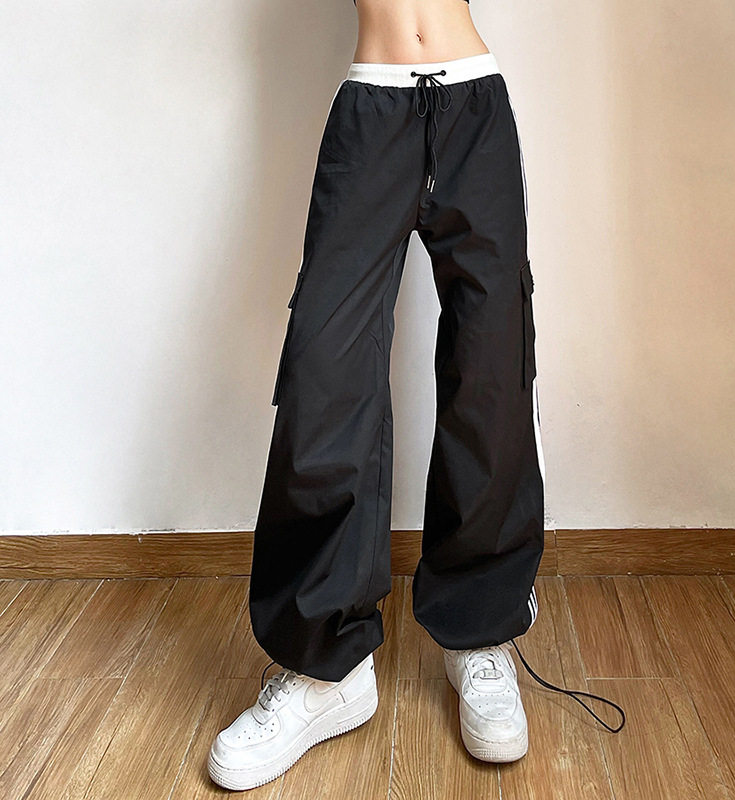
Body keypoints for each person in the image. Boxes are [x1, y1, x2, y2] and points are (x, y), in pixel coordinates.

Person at [207, 0, 623, 791]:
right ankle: (328, 672)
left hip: (476, 107)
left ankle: (479, 636)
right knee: (324, 376)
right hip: (373, 110)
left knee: (492, 377)